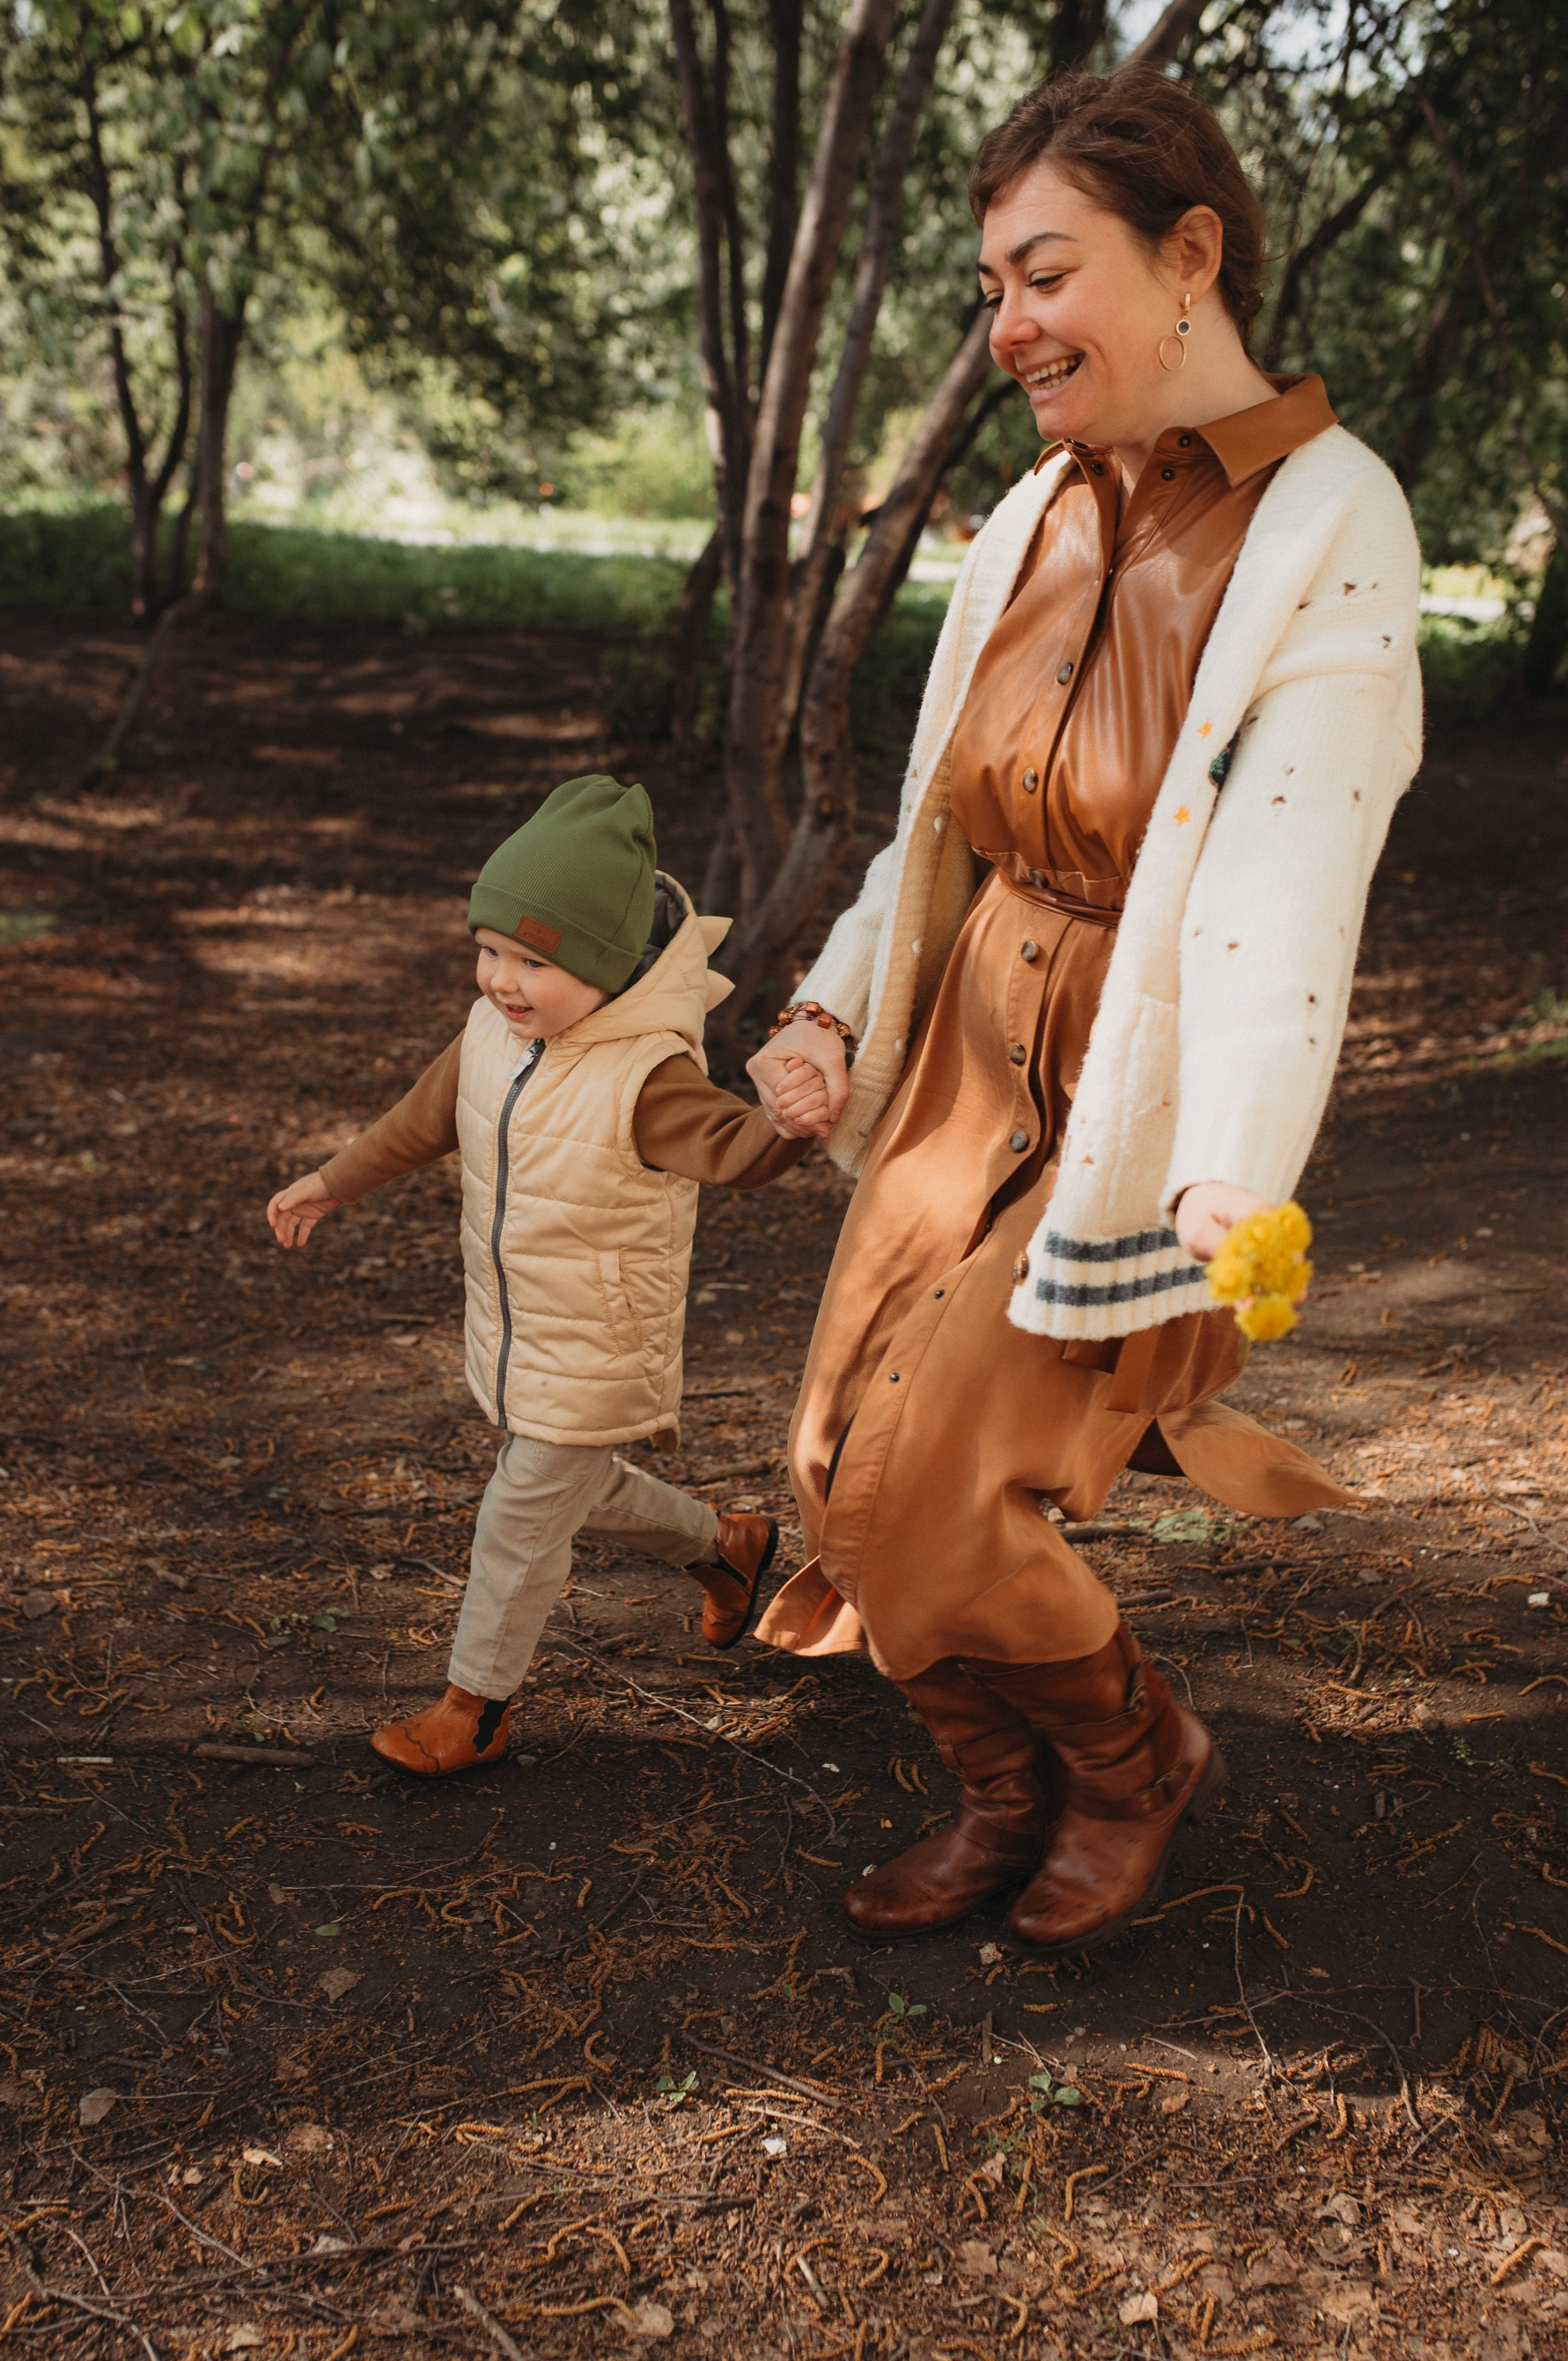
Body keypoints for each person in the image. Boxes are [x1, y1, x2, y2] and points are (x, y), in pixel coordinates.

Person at [745, 66, 1423, 1952]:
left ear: (1185, 255)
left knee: (926, 1491)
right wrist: (826, 1008)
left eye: (1042, 271)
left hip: (1136, 1073)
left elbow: (1283, 877)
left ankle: (1131, 1762)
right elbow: (935, 821)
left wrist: (1223, 1173)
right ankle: (996, 1789)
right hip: (964, 1039)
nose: (1006, 325)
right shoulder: (1035, 507)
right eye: (988, 287)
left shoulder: (1323, 523)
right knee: (827, 1464)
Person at [267, 775, 817, 1776]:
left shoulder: (643, 1075)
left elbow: (734, 1149)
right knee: (575, 1491)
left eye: (534, 960)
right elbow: (424, 1117)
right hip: (521, 1328)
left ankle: (472, 1707)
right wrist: (330, 1182)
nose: (501, 980)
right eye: (488, 951)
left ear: (608, 971)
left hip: (597, 1340)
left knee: (517, 1521)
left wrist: (784, 1124)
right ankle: (727, 1548)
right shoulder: (496, 1034)